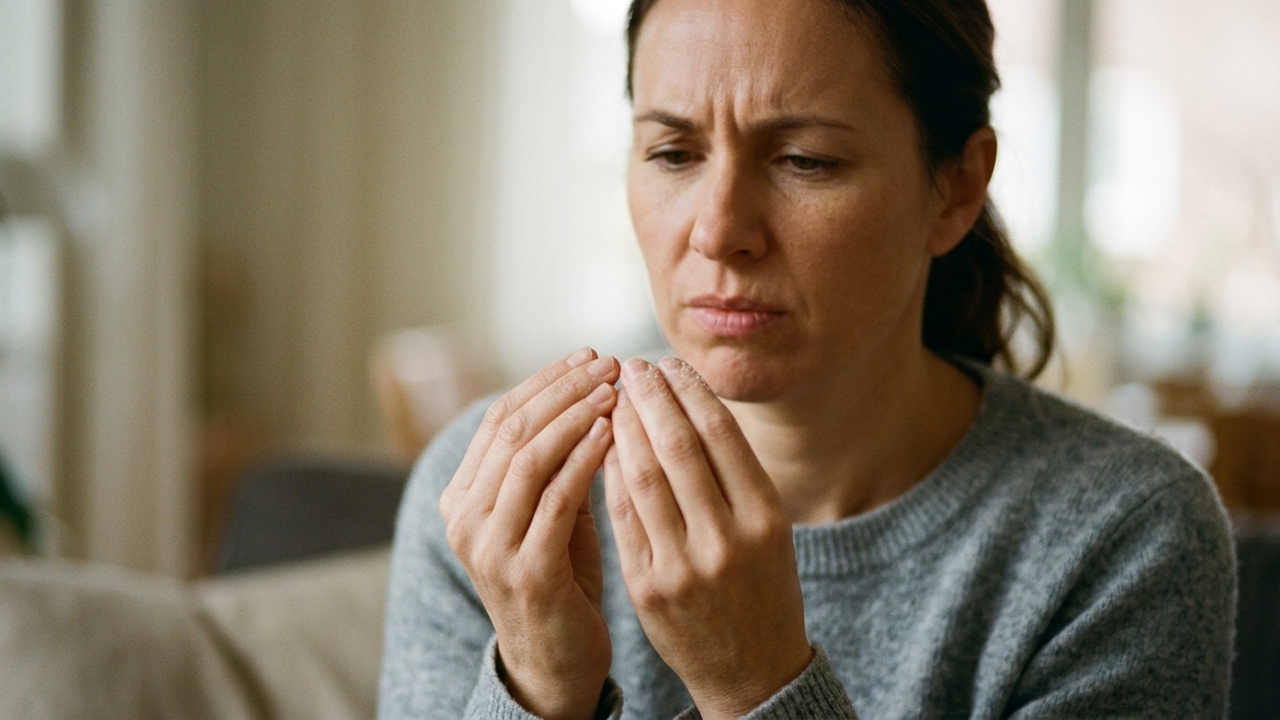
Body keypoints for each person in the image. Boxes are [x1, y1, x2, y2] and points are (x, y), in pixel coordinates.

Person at [379, 0, 1236, 717]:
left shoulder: (1123, 537)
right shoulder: (493, 500)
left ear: (957, 189)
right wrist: (536, 691)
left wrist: (756, 681)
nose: (717, 231)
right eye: (673, 153)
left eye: (805, 160)